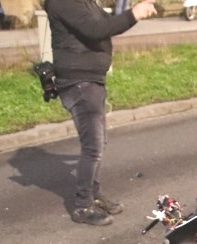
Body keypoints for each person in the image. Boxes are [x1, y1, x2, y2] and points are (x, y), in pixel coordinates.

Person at [44, 0, 157, 226]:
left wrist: (133, 13)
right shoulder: (63, 2)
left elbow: (108, 24)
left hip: (91, 80)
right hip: (79, 82)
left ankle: (93, 193)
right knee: (93, 147)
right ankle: (82, 205)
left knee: (97, 143)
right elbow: (95, 31)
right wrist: (133, 13)